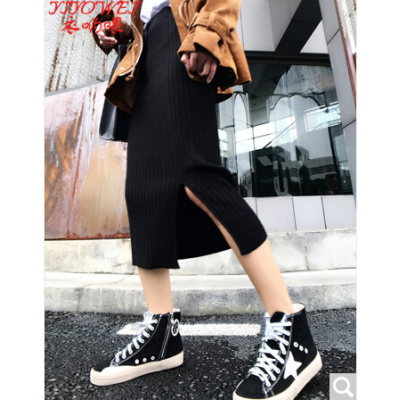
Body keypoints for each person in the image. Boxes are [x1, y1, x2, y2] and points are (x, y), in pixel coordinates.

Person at [89, 1, 322, 399]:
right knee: (143, 191)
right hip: (147, 54)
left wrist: (209, 32)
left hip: (184, 36)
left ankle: (291, 331)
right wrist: (120, 33)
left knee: (196, 175)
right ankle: (161, 333)